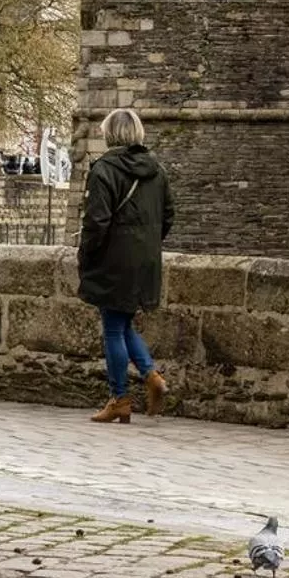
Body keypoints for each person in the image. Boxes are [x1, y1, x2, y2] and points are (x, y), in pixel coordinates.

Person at [77, 107, 174, 424]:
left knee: (112, 330)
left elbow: (97, 221)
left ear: (111, 135)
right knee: (122, 323)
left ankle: (119, 398)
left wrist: (87, 255)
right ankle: (151, 377)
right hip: (145, 260)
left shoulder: (104, 169)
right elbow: (168, 216)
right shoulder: (156, 169)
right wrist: (145, 245)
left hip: (114, 259)